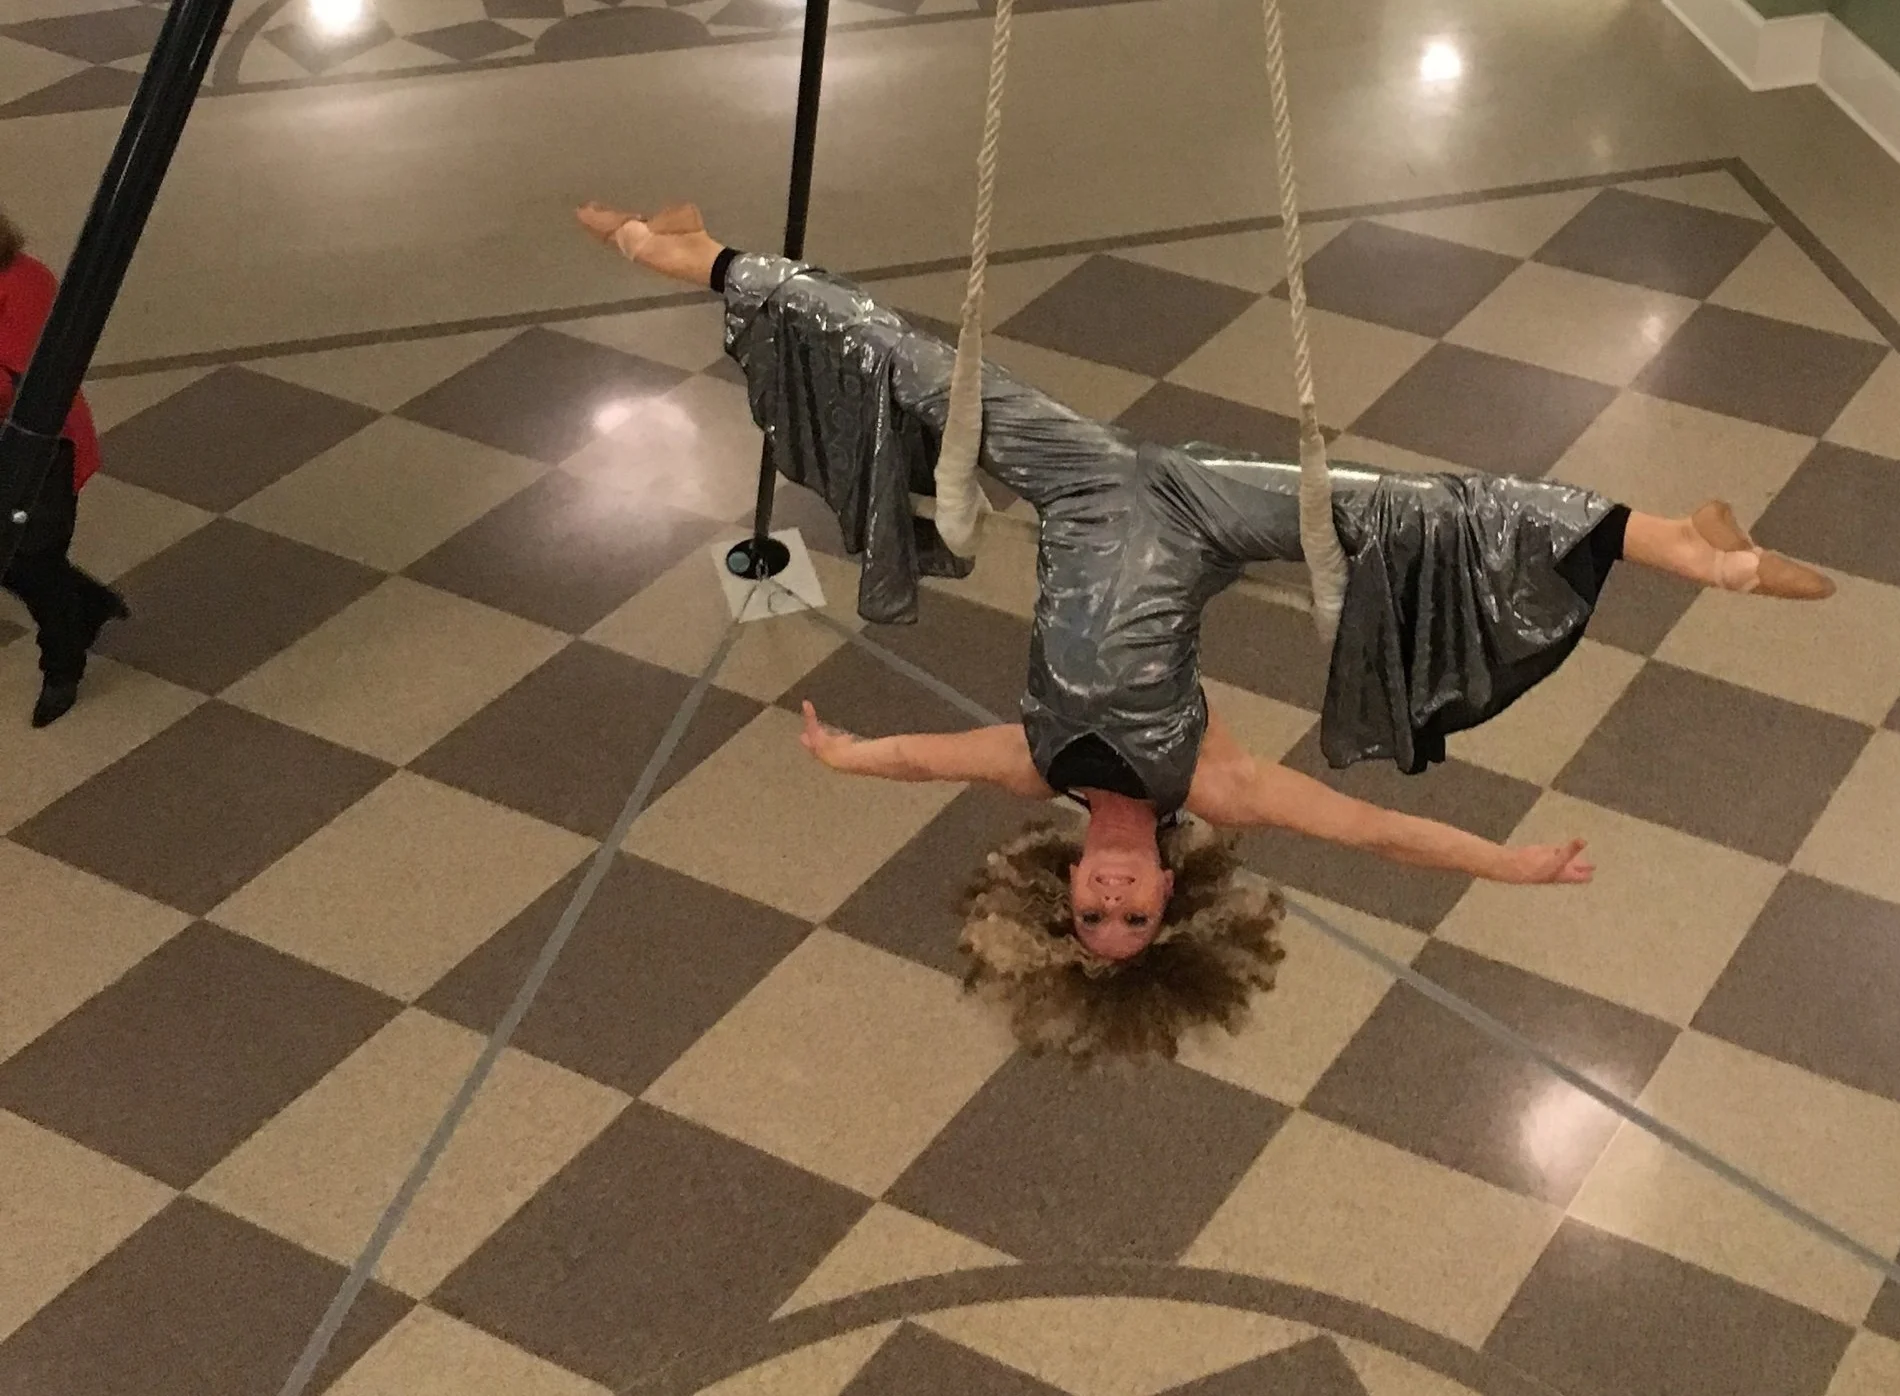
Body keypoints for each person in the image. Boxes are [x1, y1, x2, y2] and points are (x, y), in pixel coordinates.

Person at [581, 200, 1832, 1060]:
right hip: (1199, 517)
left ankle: (688, 252)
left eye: (1091, 913)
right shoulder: (1215, 780)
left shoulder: (1039, 762)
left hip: (1076, 481)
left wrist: (847, 757)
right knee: (1413, 511)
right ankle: (1686, 544)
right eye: (1135, 916)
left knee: (908, 363)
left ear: (1066, 883)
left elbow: (915, 757)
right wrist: (1507, 867)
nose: (1113, 901)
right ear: (1169, 891)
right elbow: (1377, 831)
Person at [0, 209, 129, 728]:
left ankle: (63, 664)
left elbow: (21, 384)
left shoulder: (25, 282)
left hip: (40, 449)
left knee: (29, 558)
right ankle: (89, 605)